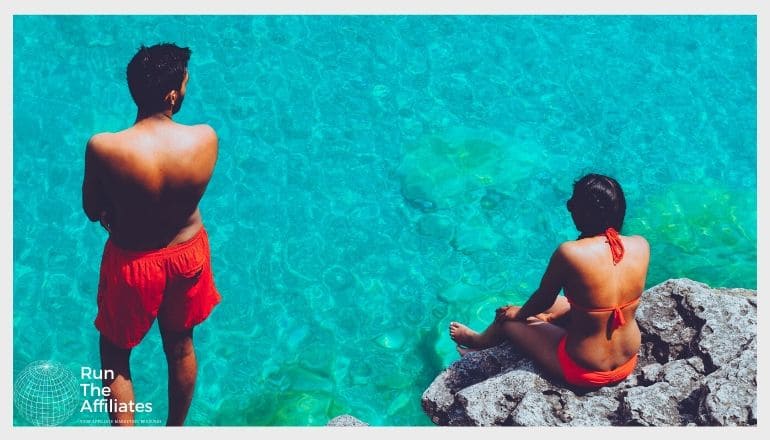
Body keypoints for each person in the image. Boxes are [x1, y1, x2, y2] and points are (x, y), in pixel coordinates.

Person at [81, 43, 221, 426]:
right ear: (172, 94)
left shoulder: (104, 147)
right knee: (179, 347)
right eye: (185, 81)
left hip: (133, 262)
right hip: (187, 255)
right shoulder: (205, 138)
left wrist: (117, 209)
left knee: (115, 355)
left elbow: (93, 210)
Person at [449, 174, 650, 389]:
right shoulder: (641, 245)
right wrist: (551, 316)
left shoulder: (570, 253)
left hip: (583, 368)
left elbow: (543, 299)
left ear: (584, 213)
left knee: (507, 319)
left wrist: (517, 313)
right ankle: (536, 325)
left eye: (572, 204)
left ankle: (477, 342)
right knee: (560, 304)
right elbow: (603, 302)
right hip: (627, 360)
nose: (569, 208)